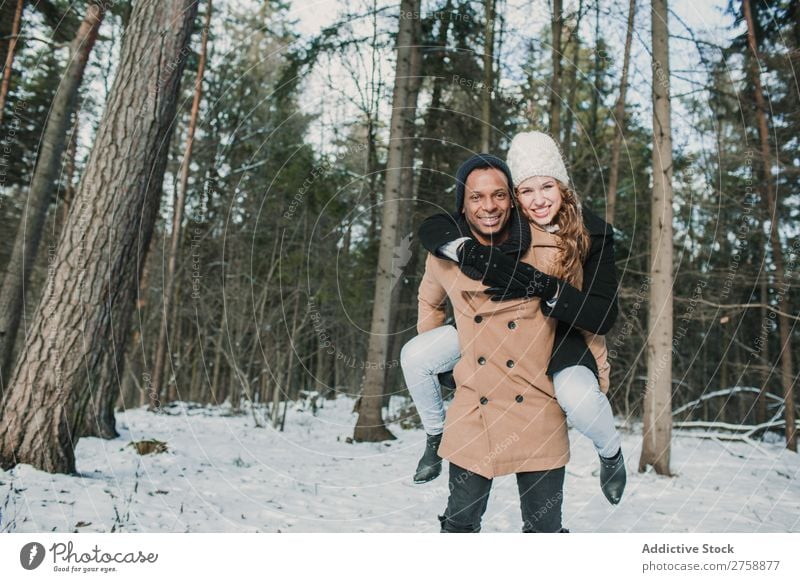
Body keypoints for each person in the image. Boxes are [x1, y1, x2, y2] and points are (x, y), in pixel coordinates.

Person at [403, 132, 626, 510]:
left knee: (579, 400)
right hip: (485, 334)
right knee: (415, 356)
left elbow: (603, 316)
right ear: (515, 198)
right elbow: (438, 224)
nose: (538, 200)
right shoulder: (508, 219)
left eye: (547, 187)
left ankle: (611, 453)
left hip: (558, 334)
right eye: (526, 191)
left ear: (563, 188)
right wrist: (461, 247)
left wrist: (548, 288)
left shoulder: (592, 235)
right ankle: (436, 437)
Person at [413, 152, 574, 532]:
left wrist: (590, 386)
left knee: (544, 532)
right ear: (463, 204)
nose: (489, 206)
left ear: (513, 199)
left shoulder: (550, 249)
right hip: (475, 406)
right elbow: (429, 303)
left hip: (538, 405)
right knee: (459, 525)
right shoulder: (444, 255)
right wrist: (443, 361)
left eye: (499, 195)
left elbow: (583, 319)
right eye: (476, 197)